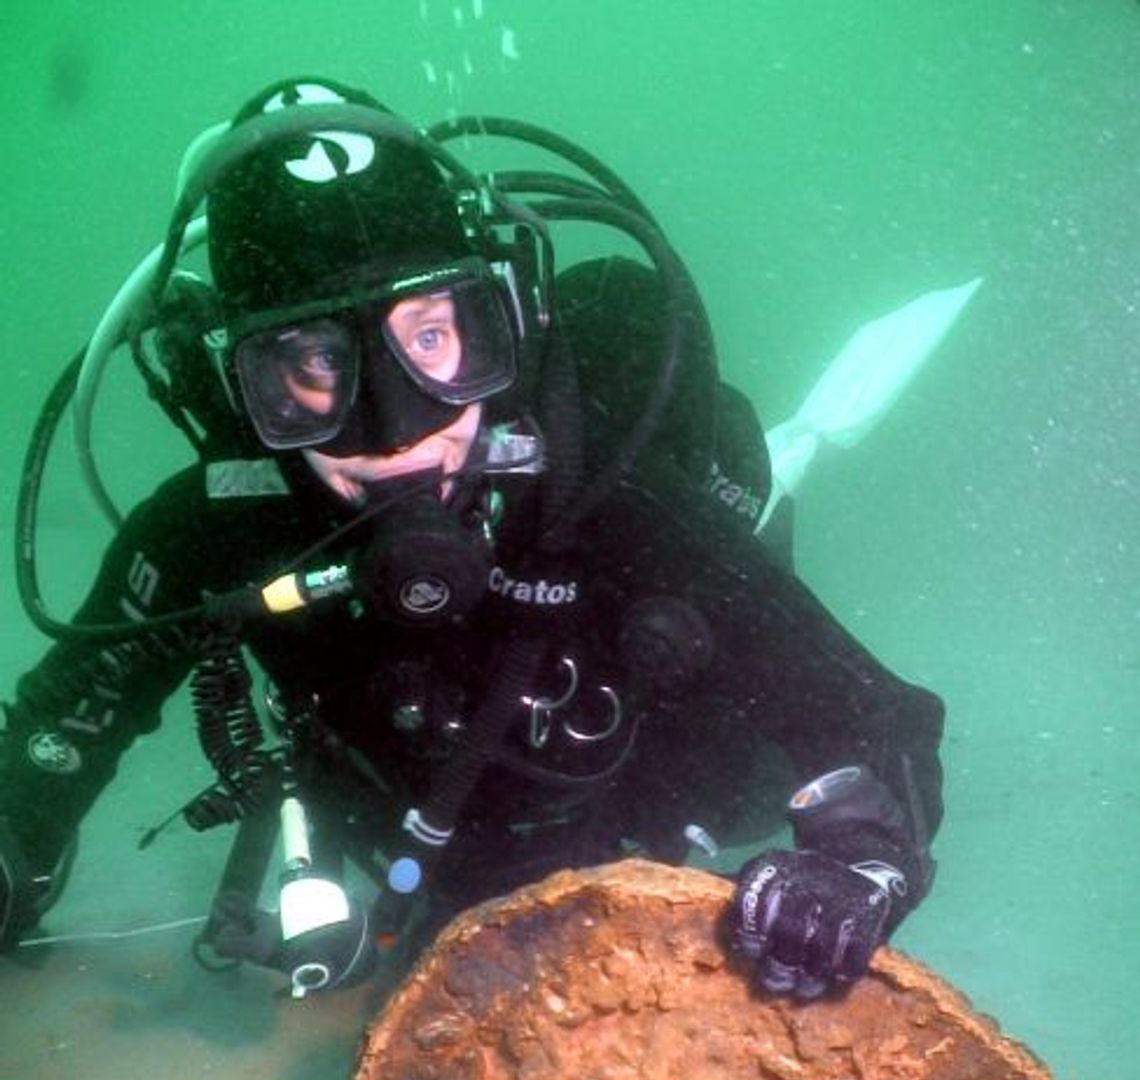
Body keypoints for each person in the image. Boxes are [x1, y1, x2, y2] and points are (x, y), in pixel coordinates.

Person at [0, 77, 945, 1001]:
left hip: (658, 800)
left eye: (433, 334)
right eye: (315, 359)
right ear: (246, 385)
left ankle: (795, 450)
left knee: (747, 699)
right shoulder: (221, 523)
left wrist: (859, 865)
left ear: (506, 318)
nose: (397, 427)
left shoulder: (601, 493)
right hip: (419, 839)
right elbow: (59, 736)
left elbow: (870, 714)